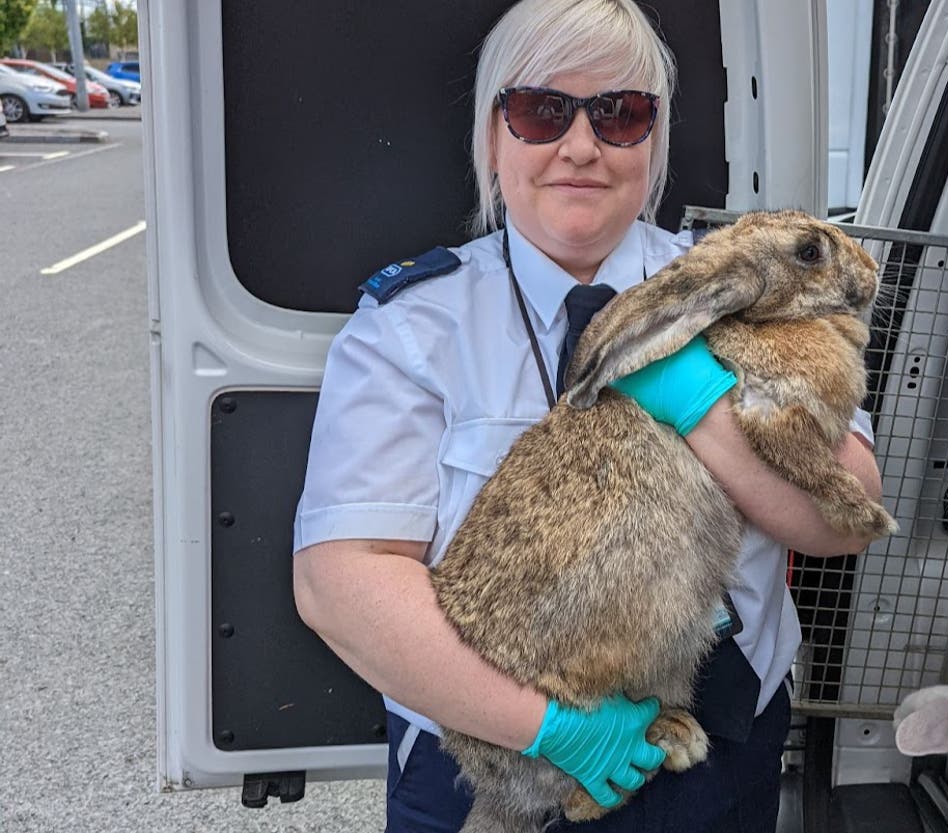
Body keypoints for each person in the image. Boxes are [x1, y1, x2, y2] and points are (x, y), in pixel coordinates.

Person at [291, 1, 883, 830]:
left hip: (719, 750)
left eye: (620, 114)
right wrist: (550, 728)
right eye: (540, 112)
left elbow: (846, 513)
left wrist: (695, 407)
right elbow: (340, 581)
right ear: (494, 137)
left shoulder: (741, 281)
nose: (581, 147)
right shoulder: (412, 327)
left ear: (655, 138)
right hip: (499, 765)